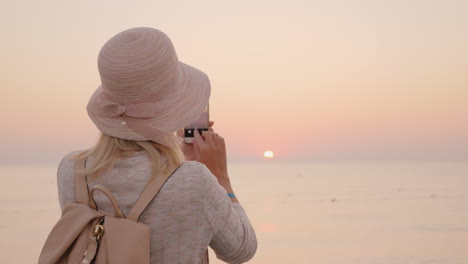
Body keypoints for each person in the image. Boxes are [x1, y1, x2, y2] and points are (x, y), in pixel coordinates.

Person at [56, 27, 257, 264]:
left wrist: (179, 163)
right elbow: (241, 250)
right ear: (174, 106)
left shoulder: (73, 170)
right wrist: (219, 175)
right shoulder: (194, 179)